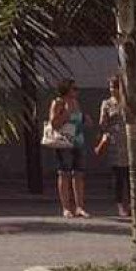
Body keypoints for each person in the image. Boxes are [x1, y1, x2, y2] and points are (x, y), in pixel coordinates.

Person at [48, 78, 90, 219]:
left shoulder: (76, 103)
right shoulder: (58, 103)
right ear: (66, 89)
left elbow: (78, 120)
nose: (76, 91)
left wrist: (85, 119)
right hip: (65, 142)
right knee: (64, 173)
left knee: (78, 174)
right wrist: (66, 113)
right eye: (74, 88)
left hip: (78, 141)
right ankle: (66, 207)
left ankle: (80, 206)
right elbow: (54, 123)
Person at [94, 74, 131, 219]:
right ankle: (120, 204)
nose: (112, 90)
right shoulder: (107, 103)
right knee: (118, 176)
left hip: (128, 140)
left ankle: (131, 203)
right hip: (115, 141)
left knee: (129, 175)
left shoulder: (127, 102)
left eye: (115, 87)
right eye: (111, 87)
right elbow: (102, 124)